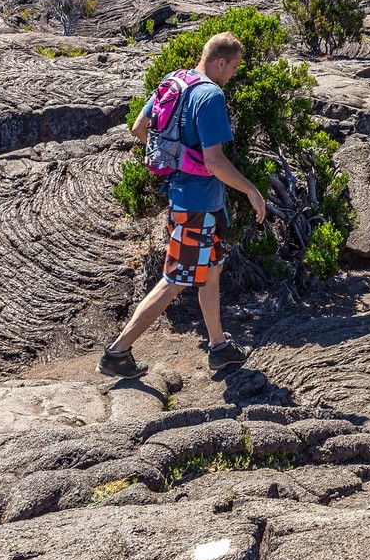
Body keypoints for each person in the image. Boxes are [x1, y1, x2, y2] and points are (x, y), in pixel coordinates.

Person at [96, 32, 267, 380]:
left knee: (212, 269)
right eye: (234, 67)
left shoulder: (175, 80)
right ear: (221, 62)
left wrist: (175, 159)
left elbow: (139, 127)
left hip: (191, 199)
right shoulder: (210, 95)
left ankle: (218, 347)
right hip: (197, 204)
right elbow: (215, 161)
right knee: (175, 279)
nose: (234, 73)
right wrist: (251, 190)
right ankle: (117, 353)